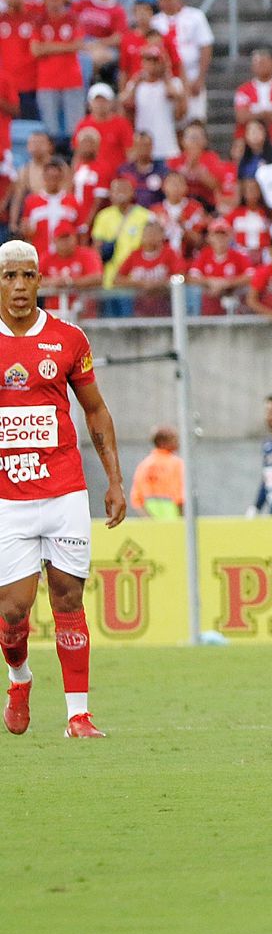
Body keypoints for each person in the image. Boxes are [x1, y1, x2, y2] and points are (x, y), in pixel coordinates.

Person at [0, 239, 126, 739]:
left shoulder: (69, 338)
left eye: (27, 276)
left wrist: (114, 479)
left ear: (40, 281)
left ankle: (78, 714)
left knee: (68, 597)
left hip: (65, 489)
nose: (19, 286)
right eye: (10, 276)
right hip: (8, 498)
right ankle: (19, 676)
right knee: (12, 612)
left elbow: (95, 410)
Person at [130, 424, 185, 518]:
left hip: (149, 519)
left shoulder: (144, 465)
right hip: (173, 518)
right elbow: (180, 495)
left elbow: (136, 498)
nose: (178, 442)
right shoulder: (176, 464)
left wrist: (148, 519)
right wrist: (182, 517)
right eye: (174, 439)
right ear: (162, 442)